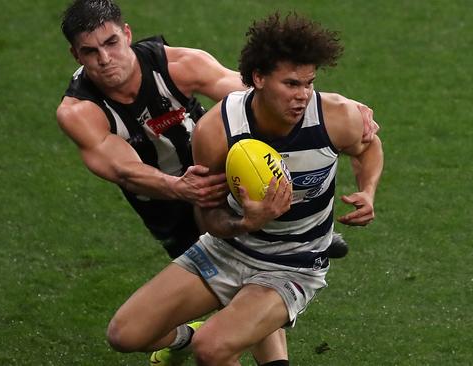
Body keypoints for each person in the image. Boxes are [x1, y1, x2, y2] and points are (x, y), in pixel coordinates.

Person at [104, 11, 384, 366]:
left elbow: (368, 147)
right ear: (259, 78)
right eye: (291, 84)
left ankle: (207, 339)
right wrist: (247, 223)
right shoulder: (217, 129)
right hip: (226, 250)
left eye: (308, 83)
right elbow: (208, 217)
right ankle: (185, 339)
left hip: (294, 263)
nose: (303, 96)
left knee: (213, 348)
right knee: (124, 335)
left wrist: (368, 190)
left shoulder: (335, 117)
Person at [56, 1, 316, 364]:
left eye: (111, 43)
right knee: (132, 332)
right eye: (90, 51)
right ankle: (188, 339)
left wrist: (335, 110)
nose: (105, 58)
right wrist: (178, 187)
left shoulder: (179, 66)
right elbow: (124, 170)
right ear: (75, 54)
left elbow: (256, 97)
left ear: (127, 34)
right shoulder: (79, 111)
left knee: (251, 274)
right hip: (163, 203)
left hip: (220, 178)